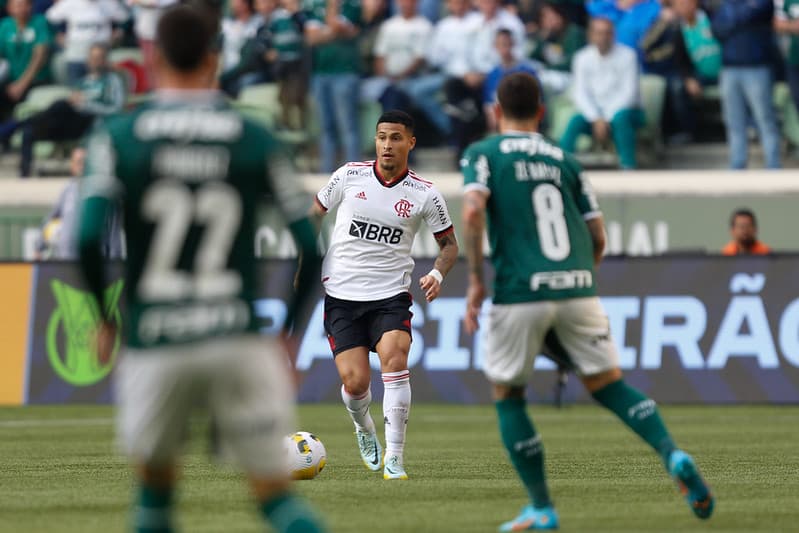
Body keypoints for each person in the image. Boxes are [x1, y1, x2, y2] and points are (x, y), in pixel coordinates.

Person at [75, 6, 326, 533]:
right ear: (215, 59)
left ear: (152, 56)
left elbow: (85, 237)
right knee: (277, 501)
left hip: (156, 337)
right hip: (234, 336)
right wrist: (287, 333)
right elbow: (311, 243)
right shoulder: (253, 137)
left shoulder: (118, 136)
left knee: (154, 496)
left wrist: (105, 316)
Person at [461, 72, 714, 531]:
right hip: (578, 288)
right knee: (609, 384)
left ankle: (541, 508)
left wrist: (477, 280)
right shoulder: (566, 160)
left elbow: (474, 210)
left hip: (519, 291)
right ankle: (671, 452)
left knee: (508, 395)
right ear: (541, 112)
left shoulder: (484, 153)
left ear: (496, 113)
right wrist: (578, 280)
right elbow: (597, 235)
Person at [311, 110, 458, 481]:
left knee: (395, 358)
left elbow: (450, 245)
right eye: (381, 137)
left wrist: (438, 272)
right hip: (342, 295)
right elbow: (313, 215)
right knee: (355, 383)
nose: (387, 145)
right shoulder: (348, 176)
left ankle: (395, 457)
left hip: (390, 295)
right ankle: (364, 428)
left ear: (410, 142)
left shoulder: (424, 193)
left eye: (395, 138)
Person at [0, 42, 126, 177]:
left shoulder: (112, 80)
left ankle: (11, 127)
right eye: (92, 58)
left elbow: (116, 108)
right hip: (69, 122)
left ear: (105, 60)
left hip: (92, 121)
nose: (95, 61)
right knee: (31, 129)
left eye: (99, 58)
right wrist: (74, 101)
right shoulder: (81, 82)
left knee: (61, 105)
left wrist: (86, 104)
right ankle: (24, 173)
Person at [560, 16, 644, 169]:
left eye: (607, 33)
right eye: (599, 33)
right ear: (590, 35)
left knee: (620, 118)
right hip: (595, 116)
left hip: (628, 113)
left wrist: (605, 118)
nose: (603, 37)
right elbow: (580, 93)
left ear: (613, 35)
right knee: (575, 121)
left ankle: (628, 167)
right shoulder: (582, 57)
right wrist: (596, 118)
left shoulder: (628, 55)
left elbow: (629, 95)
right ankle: (562, 167)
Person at [711, 0, 781, 169]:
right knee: (733, 120)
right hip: (729, 68)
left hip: (757, 67)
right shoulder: (727, 4)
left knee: (764, 118)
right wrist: (737, 18)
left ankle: (773, 165)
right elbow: (716, 29)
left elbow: (749, 14)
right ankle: (737, 163)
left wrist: (733, 19)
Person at [304, 0, 363, 173]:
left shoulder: (352, 5)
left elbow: (337, 27)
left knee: (348, 127)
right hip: (320, 74)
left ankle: (353, 174)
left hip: (345, 73)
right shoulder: (313, 5)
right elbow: (311, 38)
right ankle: (326, 174)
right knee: (325, 127)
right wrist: (332, 31)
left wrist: (332, 7)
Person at [45, 0, 129, 86]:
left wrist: (119, 31)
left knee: (103, 87)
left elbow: (125, 18)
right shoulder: (70, 2)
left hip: (100, 56)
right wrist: (58, 34)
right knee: (77, 89)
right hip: (77, 54)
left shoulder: (108, 3)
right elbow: (49, 18)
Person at [0, 0, 52, 120]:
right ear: (9, 8)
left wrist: (22, 84)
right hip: (10, 81)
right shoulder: (5, 25)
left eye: (27, 4)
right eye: (18, 5)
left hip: (36, 80)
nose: (23, 8)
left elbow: (40, 56)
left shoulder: (39, 22)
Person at [482, 29, 538, 131]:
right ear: (495, 46)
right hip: (501, 124)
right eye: (502, 44)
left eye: (508, 44)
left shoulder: (528, 71)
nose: (505, 48)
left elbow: (537, 102)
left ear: (513, 44)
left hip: (524, 121)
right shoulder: (492, 75)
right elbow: (488, 106)